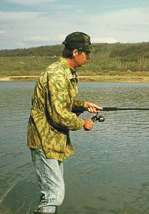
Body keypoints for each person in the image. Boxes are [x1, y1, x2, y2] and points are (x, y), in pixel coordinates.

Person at [27, 31, 102, 214]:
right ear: (75, 52)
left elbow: (60, 103)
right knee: (54, 194)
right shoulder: (57, 75)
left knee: (52, 193)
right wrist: (83, 123)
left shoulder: (63, 72)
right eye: (86, 52)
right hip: (44, 141)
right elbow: (59, 114)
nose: (89, 57)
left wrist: (83, 104)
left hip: (53, 141)